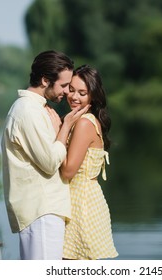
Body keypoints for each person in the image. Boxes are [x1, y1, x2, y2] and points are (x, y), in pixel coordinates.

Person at [1, 50, 89, 260]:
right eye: (64, 85)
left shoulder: (37, 109)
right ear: (44, 80)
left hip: (45, 209)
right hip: (41, 210)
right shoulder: (27, 111)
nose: (68, 92)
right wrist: (65, 126)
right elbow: (50, 162)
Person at [60, 65, 118, 260]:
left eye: (82, 93)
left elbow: (68, 171)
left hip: (81, 206)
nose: (74, 97)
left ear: (93, 95)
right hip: (85, 200)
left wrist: (61, 127)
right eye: (71, 89)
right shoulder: (83, 120)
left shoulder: (84, 123)